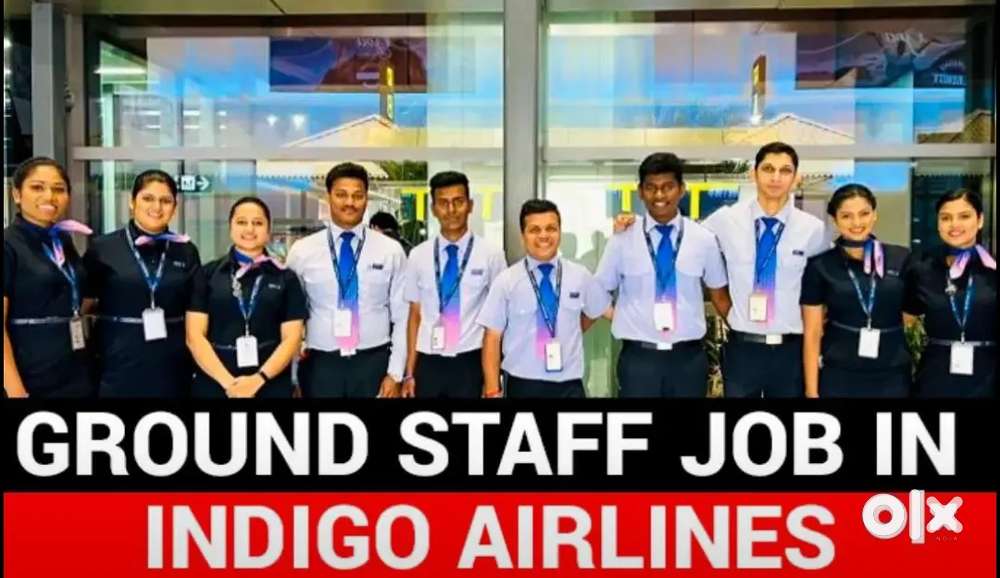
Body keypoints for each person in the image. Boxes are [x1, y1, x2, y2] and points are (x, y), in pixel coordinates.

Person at [596, 153, 730, 397]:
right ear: (640, 191)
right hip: (639, 360)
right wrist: (620, 317)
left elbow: (719, 294)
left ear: (681, 189)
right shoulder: (622, 239)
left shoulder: (703, 239)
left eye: (668, 187)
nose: (659, 195)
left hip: (688, 361)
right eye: (651, 187)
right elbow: (598, 292)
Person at [701, 142, 828, 397]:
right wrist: (632, 224)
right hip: (742, 348)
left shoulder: (813, 230)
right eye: (768, 169)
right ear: (754, 174)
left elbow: (825, 289)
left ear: (796, 178)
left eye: (785, 170)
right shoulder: (726, 220)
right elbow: (684, 240)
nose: (776, 177)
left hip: (790, 350)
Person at [287, 162, 408, 398]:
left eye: (357, 195)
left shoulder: (390, 250)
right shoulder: (302, 251)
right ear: (328, 197)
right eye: (341, 195)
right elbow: (291, 318)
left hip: (373, 362)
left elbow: (403, 316)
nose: (350, 202)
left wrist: (395, 373)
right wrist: (292, 376)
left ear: (366, 199)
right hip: (320, 364)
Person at [83, 170, 201, 397]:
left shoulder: (185, 250)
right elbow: (85, 305)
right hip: (116, 365)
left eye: (165, 201)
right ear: (132, 202)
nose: (157, 207)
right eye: (148, 198)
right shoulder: (104, 248)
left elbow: (194, 309)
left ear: (175, 207)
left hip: (172, 367)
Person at [477, 200, 611, 398]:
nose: (544, 235)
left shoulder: (580, 276)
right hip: (522, 384)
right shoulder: (507, 281)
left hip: (569, 386)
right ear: (523, 235)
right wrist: (492, 391)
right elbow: (492, 337)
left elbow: (597, 310)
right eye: (535, 230)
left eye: (551, 228)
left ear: (559, 232)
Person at [186, 197, 307, 398]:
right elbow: (194, 336)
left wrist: (258, 380)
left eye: (258, 223)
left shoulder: (286, 278)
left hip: (269, 383)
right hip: (215, 383)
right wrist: (230, 384)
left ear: (268, 230)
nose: (249, 229)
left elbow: (292, 338)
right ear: (230, 227)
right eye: (242, 222)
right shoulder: (207, 274)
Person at [800, 183, 912, 398]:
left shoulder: (901, 258)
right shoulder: (820, 266)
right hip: (839, 374)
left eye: (864, 214)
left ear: (875, 215)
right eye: (846, 216)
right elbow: (812, 333)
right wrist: (811, 391)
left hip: (892, 374)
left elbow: (910, 314)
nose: (857, 223)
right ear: (835, 220)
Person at [401, 171, 506, 398]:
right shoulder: (418, 255)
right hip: (428, 361)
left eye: (458, 202)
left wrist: (492, 379)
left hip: (471, 360)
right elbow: (415, 316)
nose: (451, 210)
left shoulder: (491, 255)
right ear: (433, 209)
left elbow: (499, 319)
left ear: (470, 205)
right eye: (443, 203)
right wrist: (409, 373)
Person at [3, 157, 93, 398]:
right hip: (30, 374)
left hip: (72, 368)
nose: (49, 196)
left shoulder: (61, 239)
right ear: (16, 194)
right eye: (37, 187)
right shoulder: (8, 244)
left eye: (58, 189)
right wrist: (15, 390)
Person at [904, 189, 996, 398]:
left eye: (964, 216)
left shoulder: (993, 269)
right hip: (935, 377)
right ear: (938, 224)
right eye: (946, 218)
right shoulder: (922, 268)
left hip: (988, 377)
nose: (954, 224)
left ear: (980, 220)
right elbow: (907, 317)